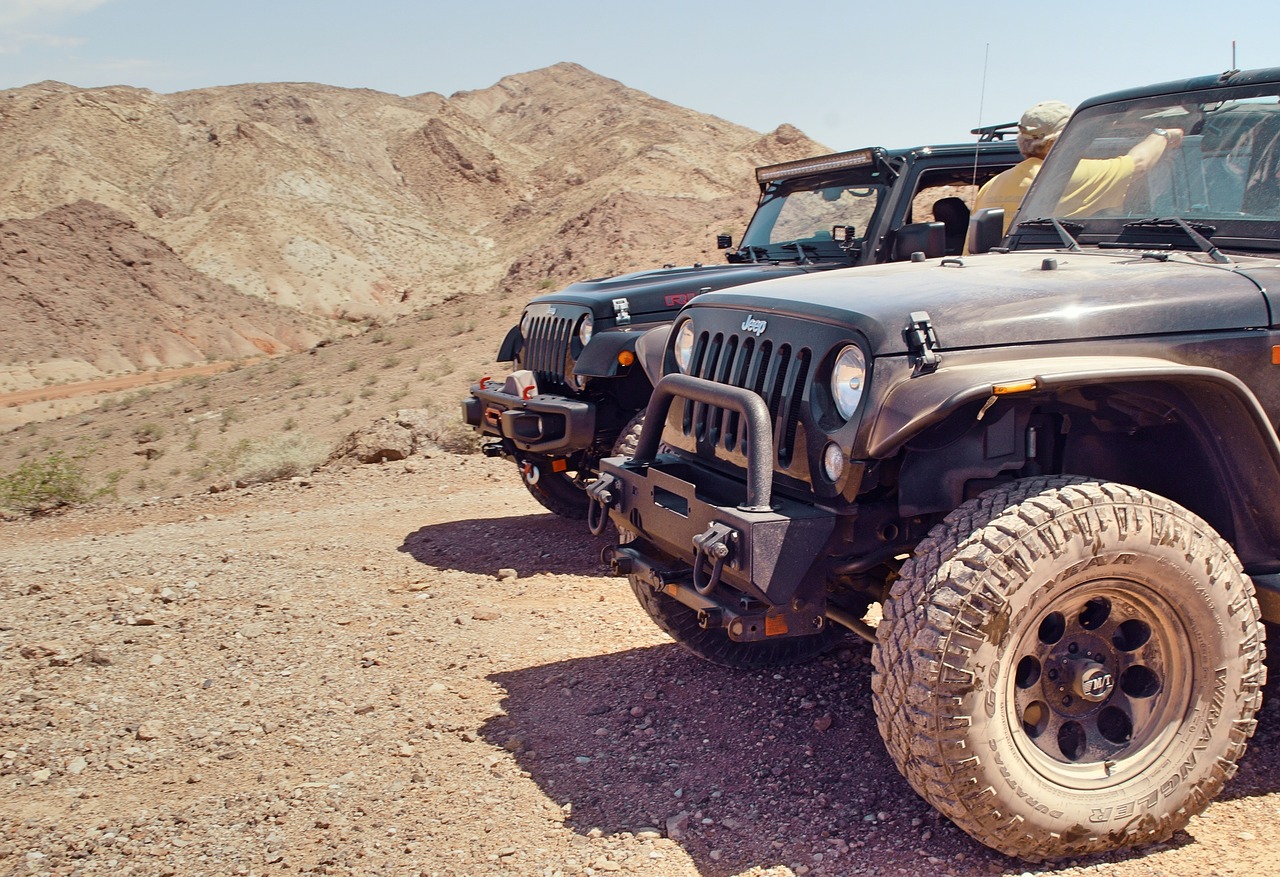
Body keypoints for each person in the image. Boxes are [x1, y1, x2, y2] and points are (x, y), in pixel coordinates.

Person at [972, 100, 1183, 237]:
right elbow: (1139, 164)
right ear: (1063, 140)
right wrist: (1164, 135)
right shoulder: (1072, 175)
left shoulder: (991, 185)